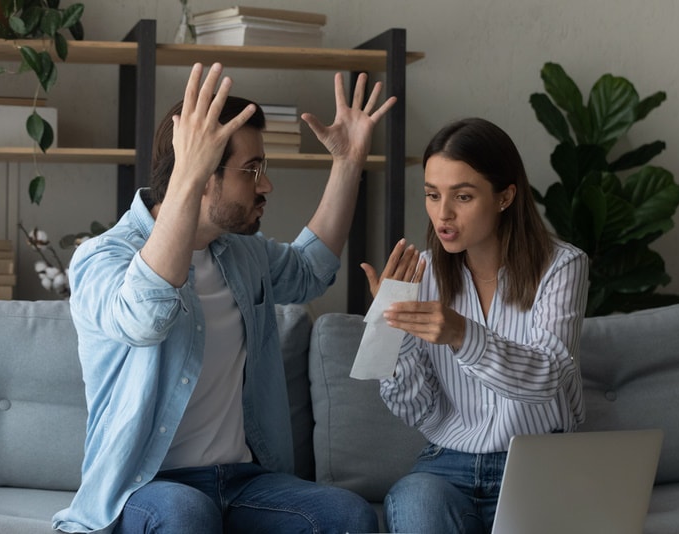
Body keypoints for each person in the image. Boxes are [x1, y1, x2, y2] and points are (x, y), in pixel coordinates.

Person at [52, 62, 395, 534]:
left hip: (243, 480)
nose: (266, 185)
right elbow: (144, 319)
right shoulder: (102, 257)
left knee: (347, 515)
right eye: (252, 170)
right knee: (186, 514)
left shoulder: (241, 253)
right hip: (147, 487)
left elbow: (309, 271)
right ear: (202, 174)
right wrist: (186, 179)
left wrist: (348, 162)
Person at [360, 117, 589, 533]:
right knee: (413, 503)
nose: (442, 214)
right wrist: (391, 328)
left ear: (505, 196)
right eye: (432, 195)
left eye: (462, 196)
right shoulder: (421, 274)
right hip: (446, 463)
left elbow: (548, 377)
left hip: (537, 462)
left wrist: (462, 335)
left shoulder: (562, 266)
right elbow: (417, 409)